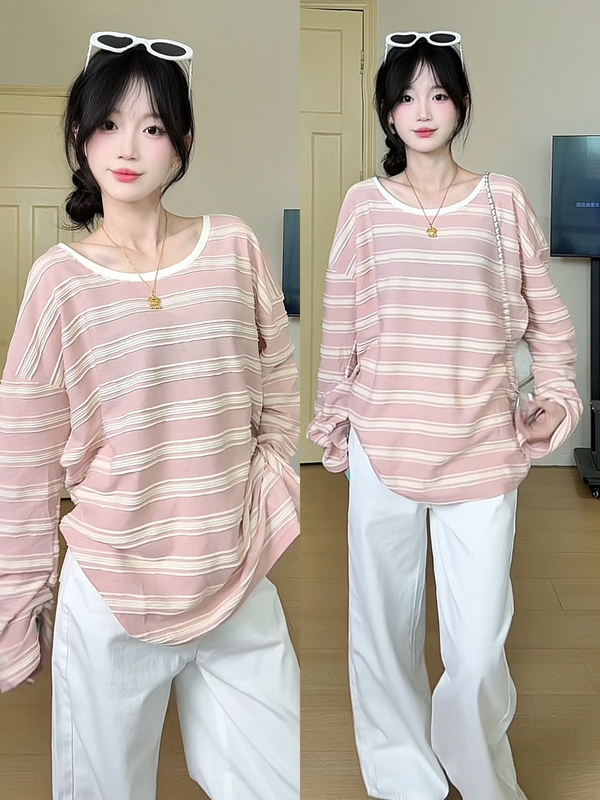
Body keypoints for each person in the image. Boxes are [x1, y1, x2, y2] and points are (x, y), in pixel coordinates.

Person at [0, 32, 300, 800]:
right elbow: (22, 456)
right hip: (112, 589)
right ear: (81, 135)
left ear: (183, 144)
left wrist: (270, 494)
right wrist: (20, 603)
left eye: (153, 126)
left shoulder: (233, 248)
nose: (128, 147)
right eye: (108, 123)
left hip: (235, 578)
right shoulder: (59, 281)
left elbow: (276, 384)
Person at [308, 30, 582, 800]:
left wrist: (557, 396)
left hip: (484, 448)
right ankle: (405, 782)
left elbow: (549, 321)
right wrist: (335, 429)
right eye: (404, 96)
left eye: (437, 93)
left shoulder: (502, 201)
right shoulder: (364, 206)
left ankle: (481, 778)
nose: (421, 110)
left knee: (480, 648)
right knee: (383, 636)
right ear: (387, 112)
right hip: (384, 445)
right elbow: (341, 329)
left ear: (462, 104)